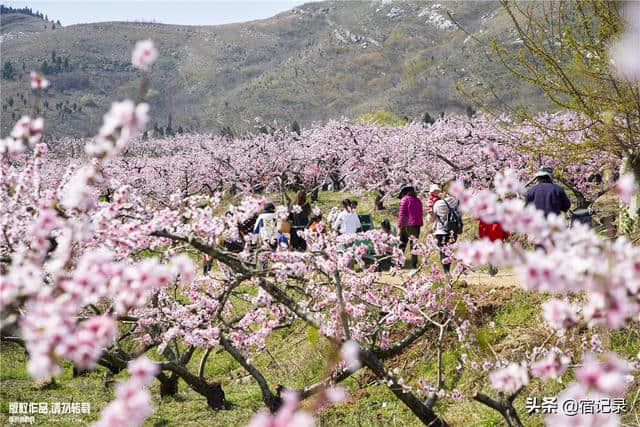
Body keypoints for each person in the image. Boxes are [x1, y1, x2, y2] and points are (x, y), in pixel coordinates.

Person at [433, 191, 461, 275]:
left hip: (441, 230)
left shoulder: (438, 203)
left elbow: (432, 216)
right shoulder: (457, 202)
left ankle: (446, 272)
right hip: (453, 230)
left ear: (445, 192)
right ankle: (448, 271)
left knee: (443, 251)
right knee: (449, 250)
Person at [397, 185, 423, 269]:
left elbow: (402, 215)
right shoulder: (418, 200)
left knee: (402, 245)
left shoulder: (404, 199)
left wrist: (399, 227)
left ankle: (399, 264)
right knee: (414, 246)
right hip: (416, 226)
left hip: (406, 225)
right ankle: (414, 266)